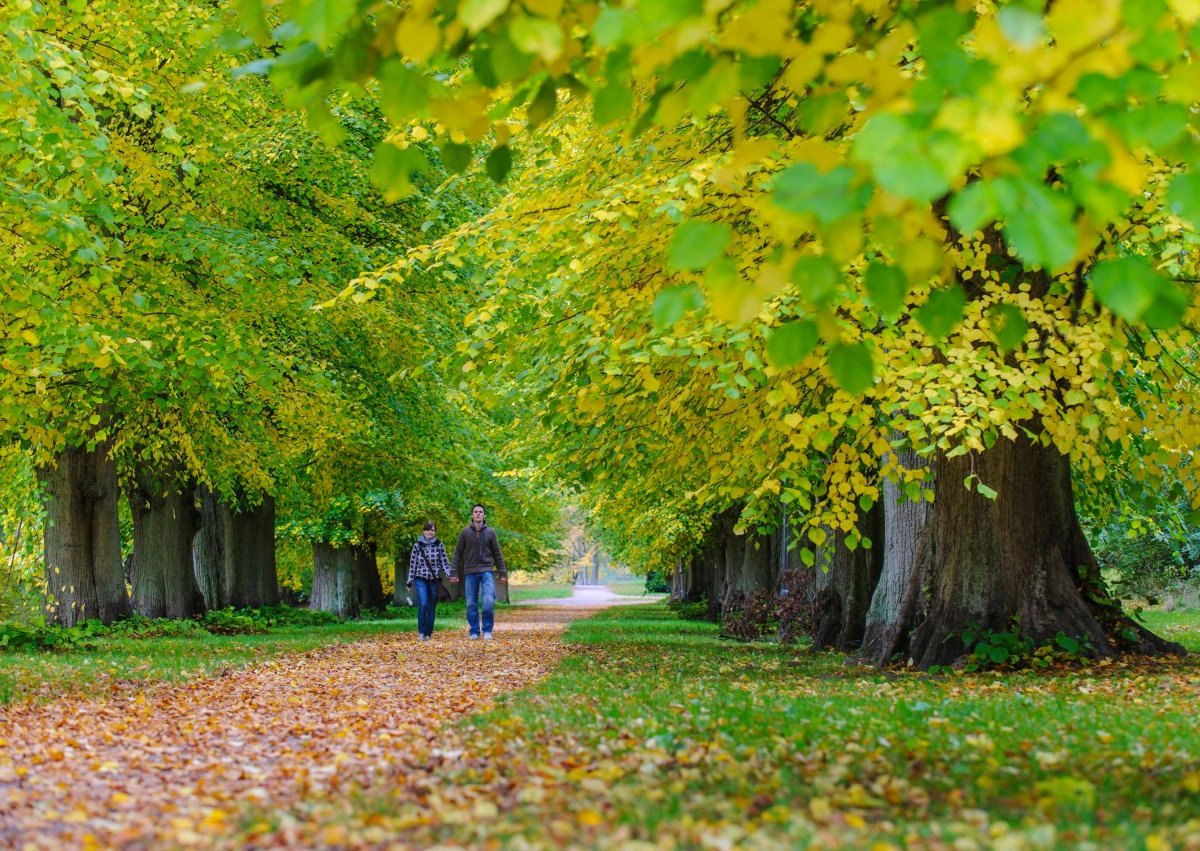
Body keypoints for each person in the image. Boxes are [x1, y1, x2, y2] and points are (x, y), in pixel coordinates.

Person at [451, 503, 507, 640]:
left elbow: (497, 554)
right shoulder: (465, 532)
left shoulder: (490, 532)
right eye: (475, 511)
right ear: (472, 515)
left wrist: (502, 573)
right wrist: (453, 572)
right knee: (471, 603)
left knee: (488, 600)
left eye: (480, 512)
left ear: (484, 515)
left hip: (487, 570)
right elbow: (457, 554)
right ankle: (474, 630)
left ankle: (487, 630)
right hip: (470, 572)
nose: (478, 514)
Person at [406, 521, 457, 640]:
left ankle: (428, 633)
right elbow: (412, 565)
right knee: (423, 604)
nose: (430, 532)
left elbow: (445, 563)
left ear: (435, 532)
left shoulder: (439, 545)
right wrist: (409, 581)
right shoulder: (417, 545)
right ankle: (421, 632)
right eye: (428, 529)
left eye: (432, 530)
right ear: (423, 531)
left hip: (435, 580)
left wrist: (450, 576)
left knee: (431, 606)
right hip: (420, 579)